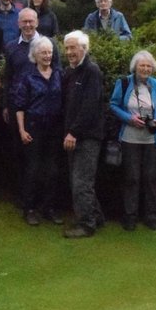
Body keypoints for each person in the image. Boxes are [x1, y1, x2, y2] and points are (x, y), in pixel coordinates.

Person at [110, 50, 156, 230]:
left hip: (152, 139)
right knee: (131, 178)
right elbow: (113, 104)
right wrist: (129, 118)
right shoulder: (124, 82)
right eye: (142, 65)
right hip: (130, 138)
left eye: (148, 66)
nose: (145, 69)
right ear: (135, 67)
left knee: (150, 178)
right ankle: (130, 216)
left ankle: (151, 216)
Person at [13, 36, 64, 226]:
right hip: (33, 128)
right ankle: (30, 209)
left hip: (54, 129)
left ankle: (49, 208)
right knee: (32, 170)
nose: (47, 55)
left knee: (52, 171)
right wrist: (21, 130)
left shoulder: (59, 73)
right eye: (43, 52)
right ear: (35, 54)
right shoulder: (27, 77)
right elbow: (19, 106)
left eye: (50, 52)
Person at [60, 31, 105, 238]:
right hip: (73, 135)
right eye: (67, 48)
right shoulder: (70, 72)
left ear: (84, 49)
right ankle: (96, 216)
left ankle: (87, 225)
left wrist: (73, 132)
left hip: (86, 137)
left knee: (81, 183)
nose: (69, 52)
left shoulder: (91, 71)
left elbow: (89, 106)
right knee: (78, 180)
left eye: (73, 48)